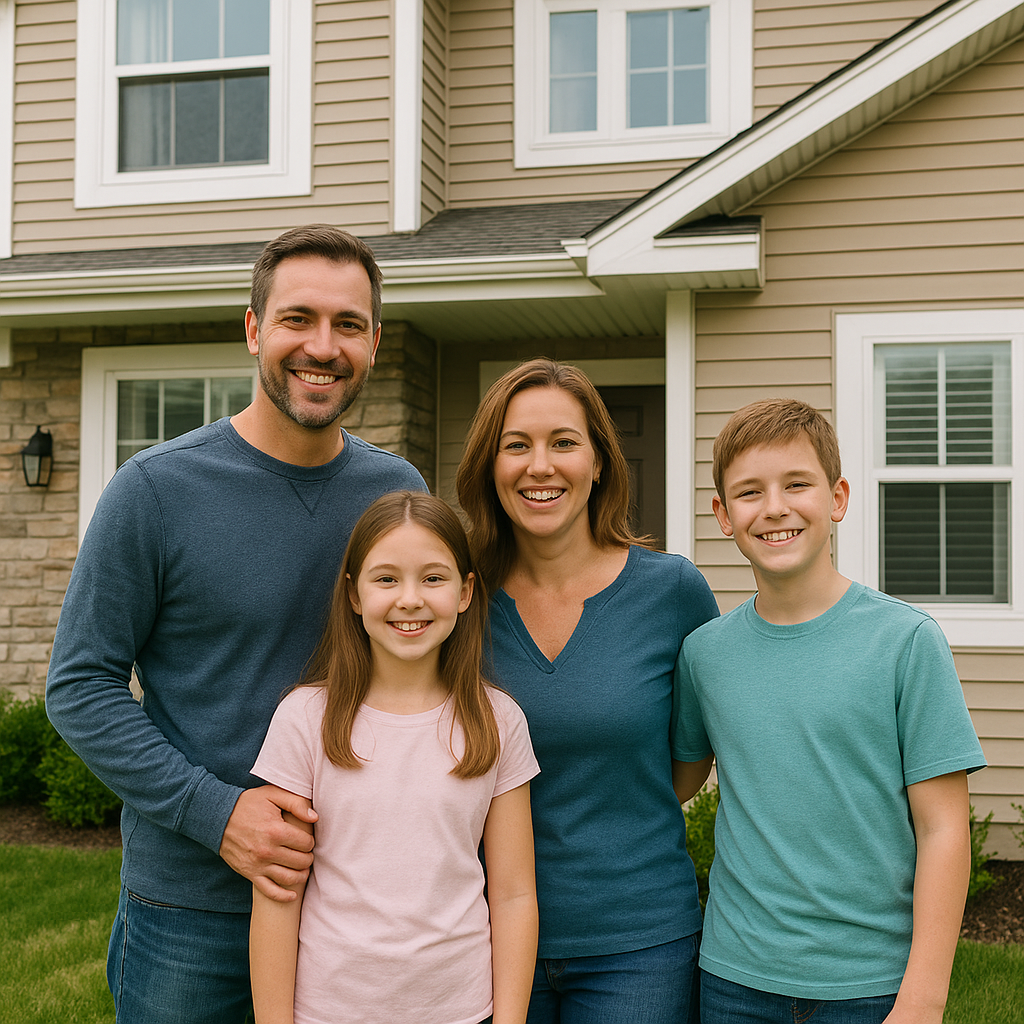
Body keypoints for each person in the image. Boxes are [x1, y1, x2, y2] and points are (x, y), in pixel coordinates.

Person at [45, 225, 427, 1024]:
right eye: (297, 319)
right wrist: (217, 816)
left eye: (347, 325)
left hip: (358, 903)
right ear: (254, 329)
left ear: (374, 342)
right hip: (191, 911)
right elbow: (80, 687)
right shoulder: (154, 490)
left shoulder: (395, 492)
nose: (322, 346)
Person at [672, 398, 987, 1024]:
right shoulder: (704, 654)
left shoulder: (905, 642)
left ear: (838, 498)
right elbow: (669, 783)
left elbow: (945, 830)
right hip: (735, 977)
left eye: (797, 484)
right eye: (749, 492)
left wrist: (924, 996)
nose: (775, 508)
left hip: (870, 983)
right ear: (723, 515)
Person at [456, 358, 719, 1024]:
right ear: (491, 465)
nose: (539, 465)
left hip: (639, 945)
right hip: (478, 935)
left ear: (599, 462)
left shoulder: (671, 592)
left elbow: (688, 761)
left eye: (563, 443)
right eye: (516, 445)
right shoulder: (456, 602)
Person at [249, 490, 539, 1024]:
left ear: (466, 592)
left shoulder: (499, 720)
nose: (410, 599)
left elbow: (515, 893)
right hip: (330, 1009)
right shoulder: (305, 717)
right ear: (354, 595)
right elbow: (277, 895)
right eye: (386, 579)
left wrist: (510, 1019)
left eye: (433, 578)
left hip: (461, 1008)